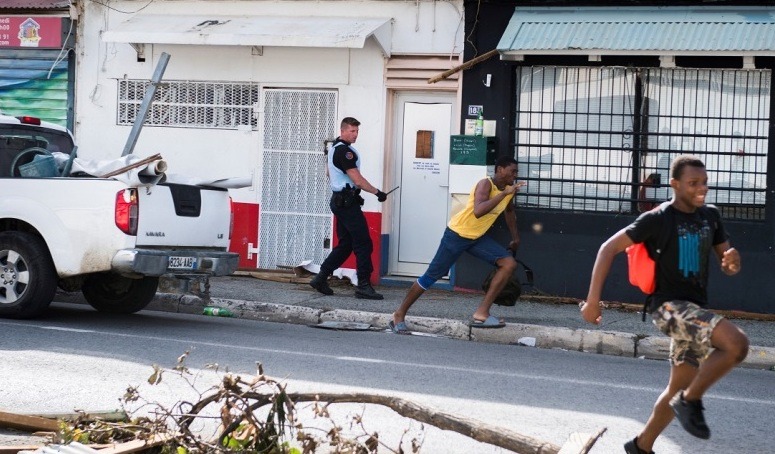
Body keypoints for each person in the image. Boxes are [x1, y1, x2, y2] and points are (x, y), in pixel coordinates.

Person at [579, 155, 749, 454]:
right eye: (693, 183)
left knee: (677, 386)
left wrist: (732, 263)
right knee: (736, 344)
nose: (701, 189)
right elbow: (608, 249)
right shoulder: (658, 218)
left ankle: (640, 446)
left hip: (694, 310)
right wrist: (592, 302)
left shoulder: (710, 216)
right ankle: (690, 401)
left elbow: (727, 262)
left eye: (704, 183)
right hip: (668, 308)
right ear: (675, 184)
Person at [389, 156, 523, 332]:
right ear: (500, 170)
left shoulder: (508, 190)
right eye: (512, 171)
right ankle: (399, 314)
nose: (515, 175)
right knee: (431, 276)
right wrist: (504, 194)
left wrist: (515, 238)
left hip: (477, 238)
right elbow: (478, 211)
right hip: (457, 235)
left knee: (508, 264)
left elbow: (509, 211)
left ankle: (482, 312)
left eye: (516, 172)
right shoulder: (486, 184)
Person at [309, 117, 388, 300]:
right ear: (343, 130)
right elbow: (357, 179)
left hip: (341, 201)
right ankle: (363, 286)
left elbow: (329, 173)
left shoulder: (334, 148)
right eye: (352, 131)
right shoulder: (345, 152)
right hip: (346, 204)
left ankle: (320, 277)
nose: (355, 134)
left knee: (346, 244)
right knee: (363, 243)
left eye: (357, 131)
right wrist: (378, 193)